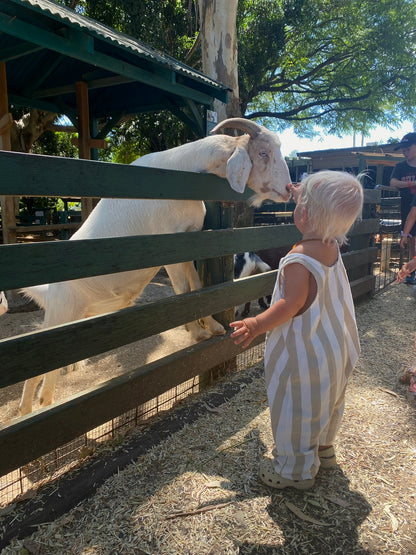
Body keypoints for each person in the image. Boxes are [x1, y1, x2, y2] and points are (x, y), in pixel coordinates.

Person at [230, 170, 363, 490]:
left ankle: (294, 471)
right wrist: (304, 192)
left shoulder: (298, 259)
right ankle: (324, 449)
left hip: (305, 354)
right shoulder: (331, 246)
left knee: (297, 407)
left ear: (302, 214)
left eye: (301, 200)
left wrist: (255, 323)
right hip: (335, 346)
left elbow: (289, 305)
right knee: (328, 401)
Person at [390, 133, 416, 284]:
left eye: (408, 148)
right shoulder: (400, 166)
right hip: (407, 209)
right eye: (403, 149)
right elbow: (393, 182)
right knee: (411, 240)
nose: (404, 151)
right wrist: (411, 184)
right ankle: (412, 270)